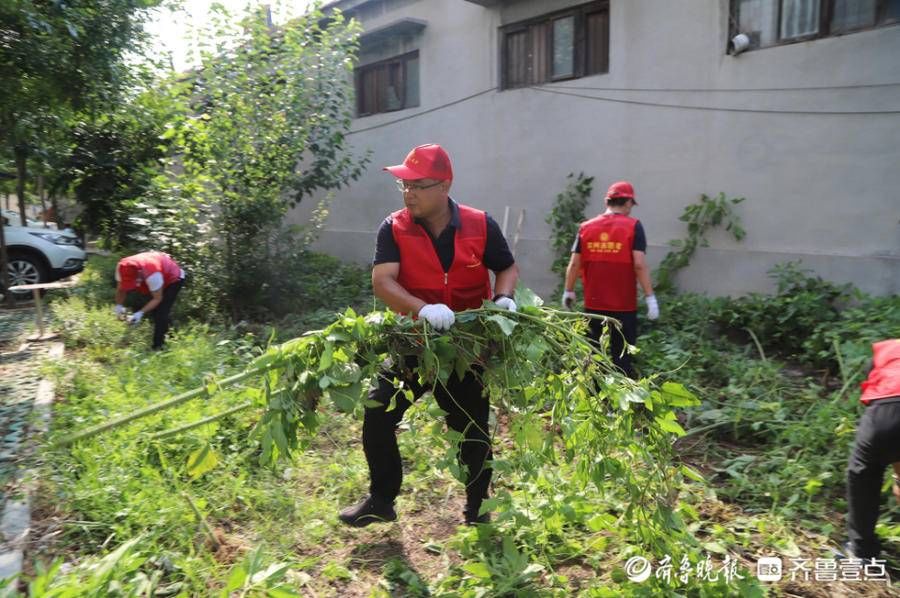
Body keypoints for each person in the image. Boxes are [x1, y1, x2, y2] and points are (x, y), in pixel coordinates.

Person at [339, 143, 519, 528]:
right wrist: (421, 309)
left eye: (418, 185)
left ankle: (477, 510)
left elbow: (506, 267)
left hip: (465, 347)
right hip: (413, 344)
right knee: (378, 415)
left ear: (445, 186)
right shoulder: (394, 227)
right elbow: (382, 281)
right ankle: (381, 499)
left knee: (471, 430)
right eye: (404, 185)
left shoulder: (480, 224)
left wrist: (504, 298)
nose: (409, 193)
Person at [561, 180, 658, 378]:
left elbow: (574, 264)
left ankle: (594, 400)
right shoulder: (634, 227)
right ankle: (622, 401)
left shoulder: (585, 228)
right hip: (624, 307)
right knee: (622, 357)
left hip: (594, 306)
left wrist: (568, 290)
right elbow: (639, 264)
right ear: (628, 202)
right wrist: (650, 298)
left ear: (608, 201)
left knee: (595, 356)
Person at [845, 339, 900, 560]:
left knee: (862, 474)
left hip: (884, 409)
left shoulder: (888, 351)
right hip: (890, 405)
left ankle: (861, 551)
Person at [114, 251, 186, 350]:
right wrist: (118, 306)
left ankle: (158, 348)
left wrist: (140, 313)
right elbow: (121, 289)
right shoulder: (121, 266)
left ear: (139, 275)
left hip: (174, 278)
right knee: (160, 311)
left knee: (160, 312)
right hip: (158, 273)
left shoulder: (153, 275)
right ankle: (173, 335)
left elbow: (157, 298)